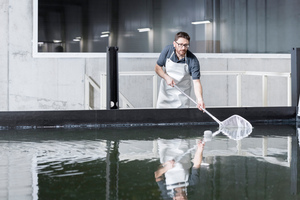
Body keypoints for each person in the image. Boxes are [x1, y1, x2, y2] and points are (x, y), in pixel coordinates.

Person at [155, 32, 205, 110]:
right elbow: (157, 68)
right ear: (174, 44)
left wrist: (200, 99)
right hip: (165, 94)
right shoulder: (167, 50)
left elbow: (196, 82)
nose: (183, 48)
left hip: (182, 96)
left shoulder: (193, 60)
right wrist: (166, 77)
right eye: (180, 44)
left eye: (185, 45)